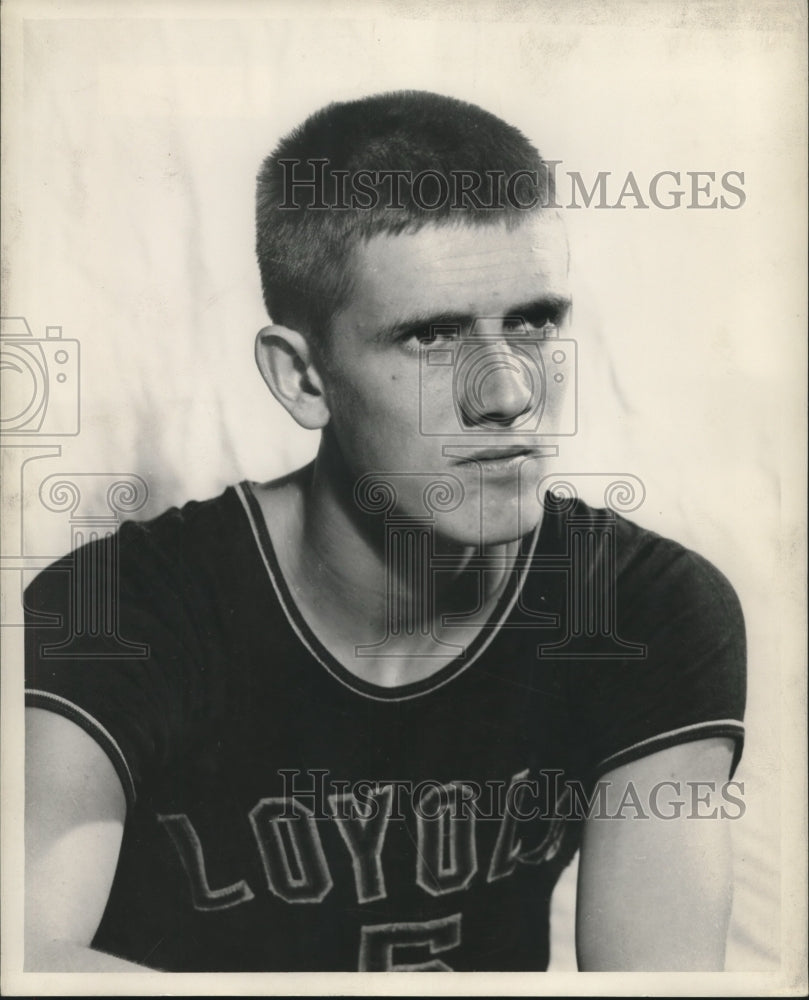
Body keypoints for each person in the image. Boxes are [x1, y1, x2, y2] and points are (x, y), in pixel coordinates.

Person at [24, 90, 746, 973]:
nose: (508, 394)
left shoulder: (642, 610)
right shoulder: (122, 608)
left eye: (534, 321)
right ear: (301, 379)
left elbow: (658, 986)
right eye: (432, 337)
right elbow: (19, 956)